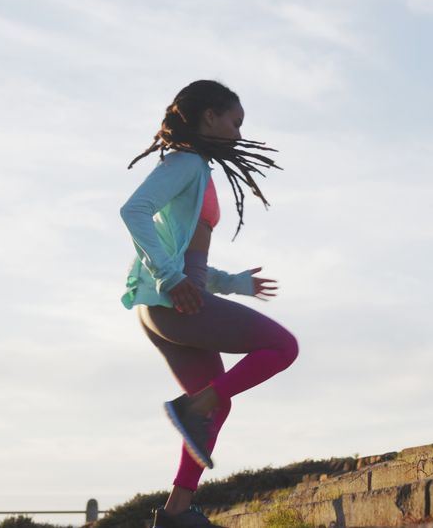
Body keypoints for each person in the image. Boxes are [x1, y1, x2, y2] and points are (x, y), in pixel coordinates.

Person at [119, 80, 300, 528]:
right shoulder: (187, 163)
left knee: (215, 403)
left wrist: (231, 282)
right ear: (210, 118)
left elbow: (185, 253)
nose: (239, 134)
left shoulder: (195, 170)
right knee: (283, 347)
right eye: (235, 122)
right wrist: (171, 277)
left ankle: (176, 514)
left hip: (167, 305)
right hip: (174, 303)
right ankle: (189, 408)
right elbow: (133, 210)